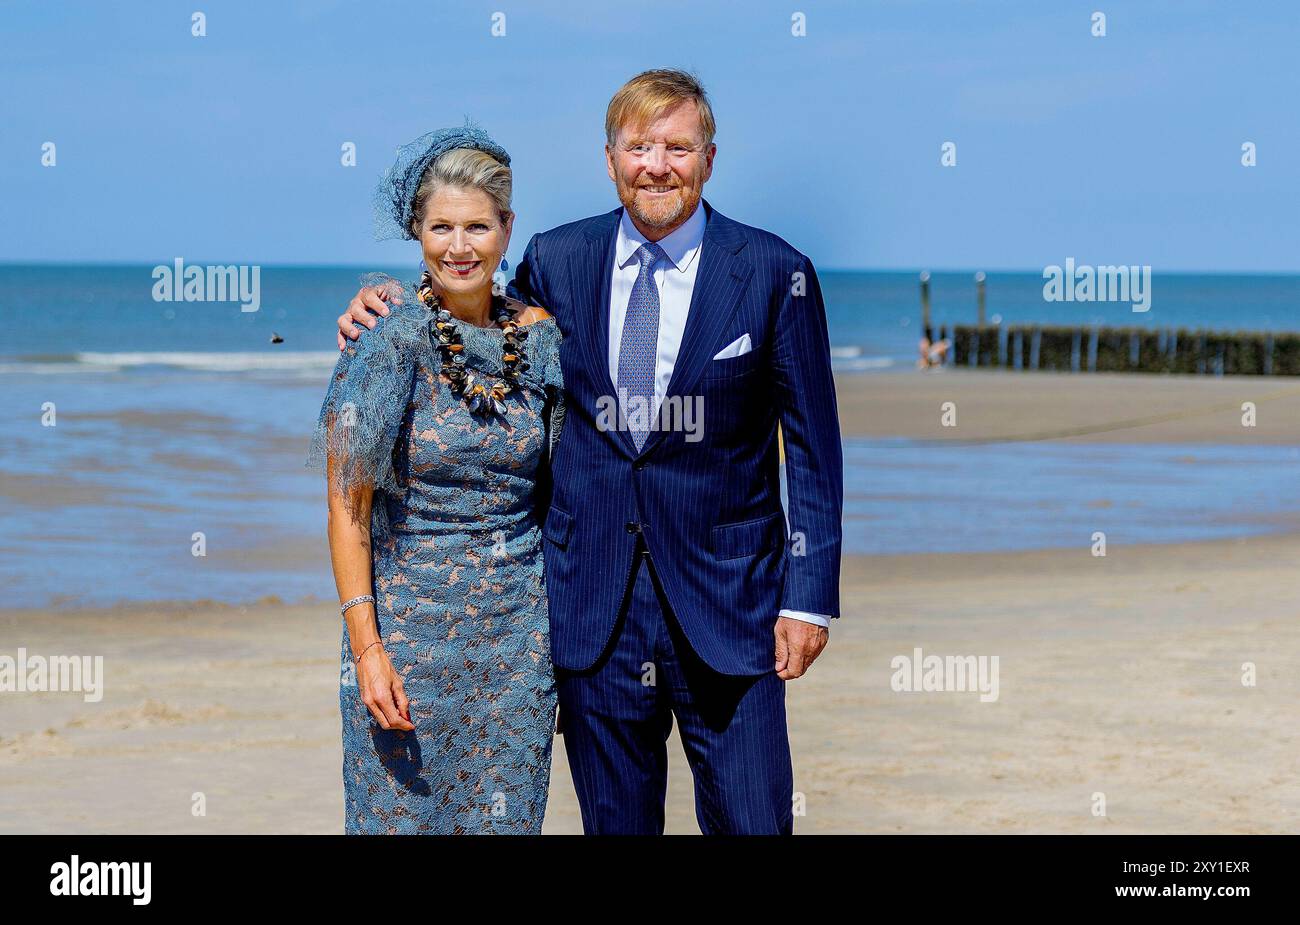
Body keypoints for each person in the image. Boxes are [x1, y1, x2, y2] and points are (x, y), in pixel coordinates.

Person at [336, 69, 843, 834]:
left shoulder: (776, 274)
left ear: (710, 157)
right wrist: (382, 302)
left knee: (755, 822)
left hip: (731, 612)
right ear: (610, 158)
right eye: (639, 146)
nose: (657, 165)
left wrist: (807, 597)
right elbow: (473, 307)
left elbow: (811, 449)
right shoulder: (559, 259)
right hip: (590, 612)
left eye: (677, 146)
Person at [310, 125, 563, 834]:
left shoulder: (541, 340)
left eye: (478, 226)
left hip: (518, 649)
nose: (460, 246)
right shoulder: (389, 338)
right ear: (417, 231)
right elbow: (346, 507)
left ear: (507, 229)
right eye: (441, 226)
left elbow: (568, 491)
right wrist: (368, 650)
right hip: (404, 646)